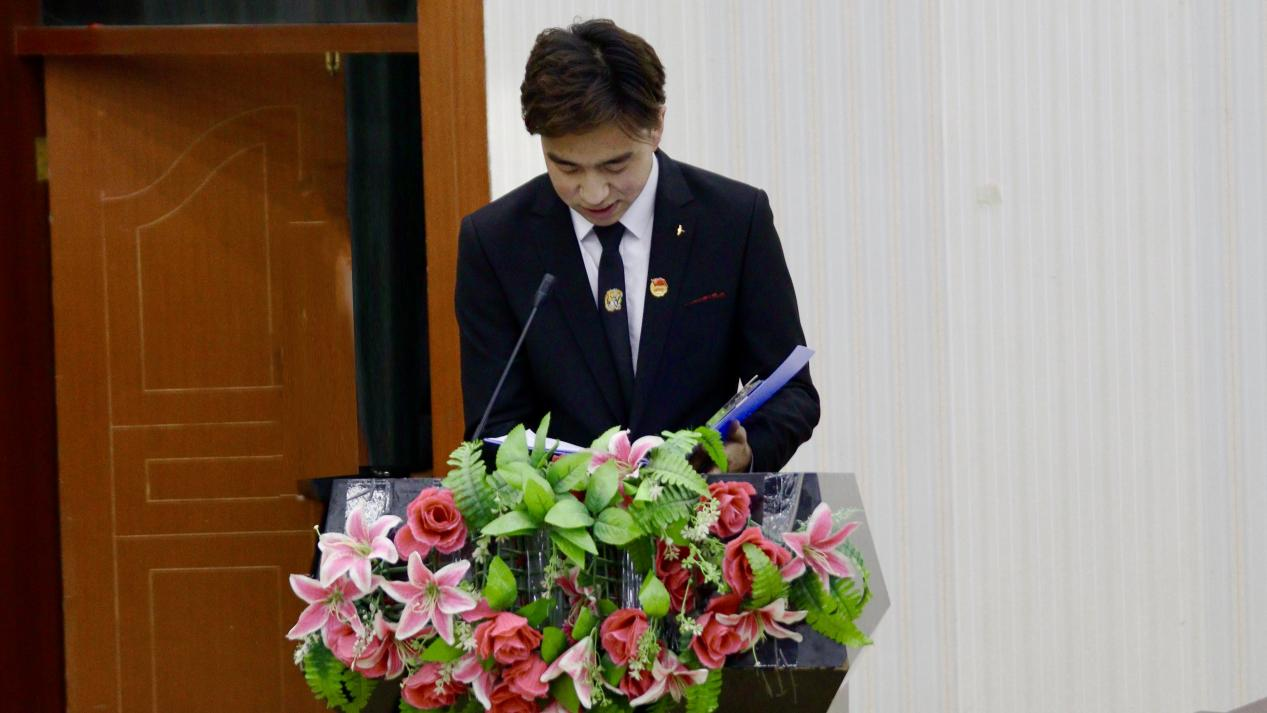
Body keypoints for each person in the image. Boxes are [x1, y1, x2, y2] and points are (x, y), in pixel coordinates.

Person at [455, 18, 818, 473]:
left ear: (657, 125)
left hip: (698, 507)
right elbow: (494, 426)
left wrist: (745, 454)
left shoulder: (732, 221)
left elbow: (792, 392)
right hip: (564, 513)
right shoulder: (496, 242)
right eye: (566, 168)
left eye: (615, 165)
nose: (594, 193)